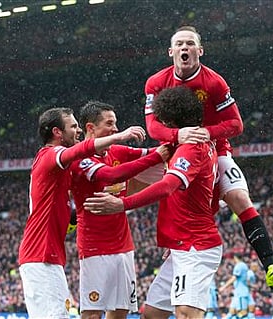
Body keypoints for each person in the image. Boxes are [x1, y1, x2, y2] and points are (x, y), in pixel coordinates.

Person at [143, 25, 273, 288]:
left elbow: (236, 124)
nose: (184, 48)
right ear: (170, 52)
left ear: (200, 50)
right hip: (174, 150)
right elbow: (153, 127)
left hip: (213, 149)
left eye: (190, 44)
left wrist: (204, 132)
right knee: (140, 180)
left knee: (238, 197)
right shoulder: (156, 82)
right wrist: (180, 136)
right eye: (179, 44)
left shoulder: (214, 82)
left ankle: (270, 264)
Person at [84, 86, 222, 319]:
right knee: (152, 315)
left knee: (186, 313)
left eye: (161, 124)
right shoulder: (188, 145)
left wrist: (122, 204)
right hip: (181, 243)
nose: (159, 130)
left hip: (195, 245)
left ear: (170, 121)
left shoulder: (191, 147)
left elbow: (167, 185)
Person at [18, 107, 147, 319]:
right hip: (40, 255)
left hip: (47, 255)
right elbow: (81, 151)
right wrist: (121, 137)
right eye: (73, 126)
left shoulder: (60, 167)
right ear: (57, 132)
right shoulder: (51, 154)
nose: (78, 131)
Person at [70, 101, 171, 319]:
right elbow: (112, 175)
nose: (115, 129)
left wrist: (180, 140)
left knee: (120, 312)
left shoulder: (116, 151)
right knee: (92, 314)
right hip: (94, 248)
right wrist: (157, 156)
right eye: (109, 123)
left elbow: (155, 152)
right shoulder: (79, 158)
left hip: (124, 246)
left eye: (115, 124)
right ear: (90, 128)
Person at [218, 254, 254, 319]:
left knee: (242, 313)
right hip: (238, 293)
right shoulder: (244, 266)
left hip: (241, 293)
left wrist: (223, 287)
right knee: (232, 312)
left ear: (235, 258)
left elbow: (234, 278)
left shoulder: (239, 265)